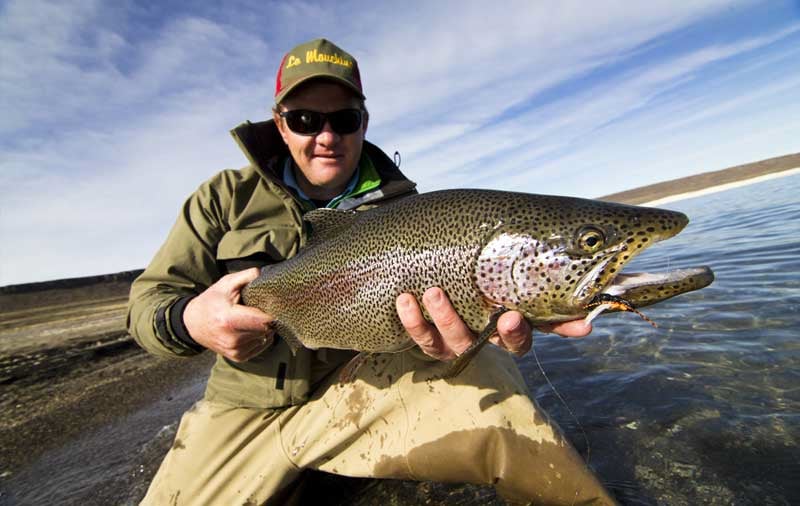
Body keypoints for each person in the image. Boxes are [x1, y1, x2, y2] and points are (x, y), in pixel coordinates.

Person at [128, 38, 617, 505]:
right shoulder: (222, 198)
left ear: (364, 122)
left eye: (343, 119)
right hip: (244, 408)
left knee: (495, 379)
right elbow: (147, 304)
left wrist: (464, 340)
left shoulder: (411, 211)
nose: (326, 137)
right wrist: (190, 321)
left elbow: (453, 331)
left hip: (362, 388)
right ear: (280, 124)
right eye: (304, 119)